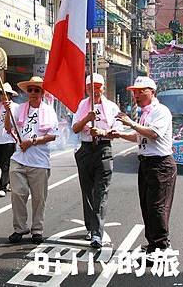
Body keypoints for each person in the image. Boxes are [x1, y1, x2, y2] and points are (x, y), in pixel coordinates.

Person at [107, 76, 177, 257]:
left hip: (160, 164)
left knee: (157, 206)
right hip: (146, 163)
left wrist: (130, 123)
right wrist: (121, 134)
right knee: (146, 205)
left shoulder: (161, 111)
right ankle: (153, 243)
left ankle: (162, 247)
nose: (136, 95)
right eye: (134, 92)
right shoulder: (145, 113)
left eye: (140, 91)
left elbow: (153, 134)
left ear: (152, 92)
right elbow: (140, 137)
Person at [4, 76, 58, 244]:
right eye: (30, 90)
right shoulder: (19, 109)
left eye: (37, 90)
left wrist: (33, 141)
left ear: (42, 93)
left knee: (38, 198)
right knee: (18, 193)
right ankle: (19, 228)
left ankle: (37, 230)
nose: (33, 93)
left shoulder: (48, 110)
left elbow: (52, 135)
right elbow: (8, 127)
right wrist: (7, 112)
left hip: (39, 161)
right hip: (19, 158)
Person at [71, 73, 122, 249]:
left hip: (104, 149)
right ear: (86, 89)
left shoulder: (112, 107)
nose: (94, 90)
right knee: (87, 191)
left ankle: (96, 233)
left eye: (98, 86)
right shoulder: (82, 106)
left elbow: (117, 131)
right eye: (90, 87)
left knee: (101, 191)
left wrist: (102, 133)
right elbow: (75, 128)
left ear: (103, 87)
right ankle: (90, 227)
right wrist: (87, 118)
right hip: (85, 150)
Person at [0, 83, 19, 197]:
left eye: (5, 94)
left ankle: (2, 188)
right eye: (1, 94)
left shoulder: (15, 107)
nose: (3, 96)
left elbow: (17, 122)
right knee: (1, 162)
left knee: (6, 164)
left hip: (9, 139)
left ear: (10, 95)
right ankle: (10, 180)